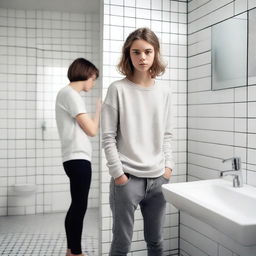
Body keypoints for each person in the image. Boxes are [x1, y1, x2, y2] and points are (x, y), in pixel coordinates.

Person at [102, 27, 175, 256]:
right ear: (128, 54)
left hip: (158, 180)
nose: (142, 57)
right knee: (122, 244)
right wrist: (119, 175)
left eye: (147, 51)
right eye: (136, 52)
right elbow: (107, 137)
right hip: (127, 180)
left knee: (156, 242)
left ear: (155, 54)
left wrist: (168, 168)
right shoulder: (117, 89)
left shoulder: (164, 92)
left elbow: (167, 134)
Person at [55, 58, 101, 256]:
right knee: (79, 206)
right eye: (94, 79)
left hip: (74, 158)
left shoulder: (66, 94)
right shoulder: (70, 94)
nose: (93, 83)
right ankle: (77, 252)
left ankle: (70, 250)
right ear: (87, 75)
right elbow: (91, 130)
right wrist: (99, 110)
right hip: (77, 159)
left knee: (77, 204)